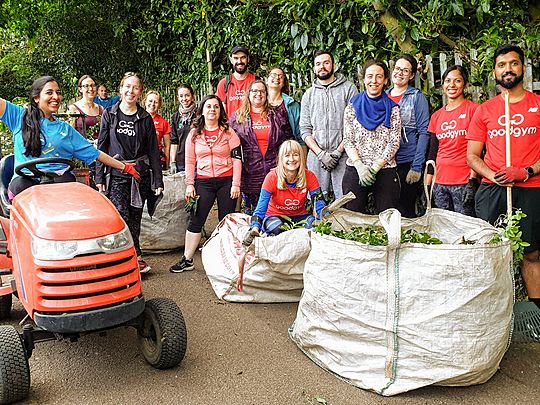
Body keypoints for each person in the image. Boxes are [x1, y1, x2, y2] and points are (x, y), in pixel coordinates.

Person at [467, 44, 540, 309]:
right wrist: (493, 176)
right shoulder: (484, 110)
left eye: (513, 63)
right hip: (493, 190)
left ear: (522, 67)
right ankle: (494, 313)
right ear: (495, 72)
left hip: (531, 187)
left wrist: (526, 171)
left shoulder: (538, 105)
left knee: (531, 253)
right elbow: (472, 156)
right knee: (491, 253)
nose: (507, 68)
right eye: (501, 65)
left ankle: (535, 314)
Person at [0, 76, 139, 199]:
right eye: (49, 92)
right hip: (25, 181)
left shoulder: (65, 130)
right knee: (20, 185)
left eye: (58, 93)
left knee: (69, 184)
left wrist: (124, 167)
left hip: (58, 181)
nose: (56, 97)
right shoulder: (18, 116)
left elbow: (95, 153)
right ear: (36, 98)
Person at [96, 72, 164, 275]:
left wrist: (157, 180)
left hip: (139, 175)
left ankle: (136, 257)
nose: (130, 91)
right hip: (116, 174)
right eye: (127, 86)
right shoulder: (110, 114)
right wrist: (99, 178)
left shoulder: (144, 118)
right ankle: (127, 256)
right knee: (120, 215)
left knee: (135, 216)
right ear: (121, 89)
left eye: (135, 87)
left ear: (140, 92)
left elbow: (153, 151)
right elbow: (101, 147)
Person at [170, 95, 242, 273]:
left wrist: (236, 184)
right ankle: (187, 259)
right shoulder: (194, 134)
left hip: (226, 181)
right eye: (208, 106)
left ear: (220, 111)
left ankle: (228, 261)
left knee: (227, 222)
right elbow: (189, 161)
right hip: (203, 181)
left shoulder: (229, 132)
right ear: (202, 110)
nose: (212, 110)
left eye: (216, 107)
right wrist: (190, 184)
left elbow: (238, 159)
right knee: (196, 220)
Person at [342, 60, 402, 214]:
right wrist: (360, 165)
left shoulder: (393, 109)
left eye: (379, 77)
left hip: (385, 169)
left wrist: (376, 166)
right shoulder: (352, 107)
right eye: (369, 76)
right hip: (356, 170)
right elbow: (348, 140)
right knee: (352, 217)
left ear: (385, 80)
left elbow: (394, 141)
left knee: (388, 218)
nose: (374, 81)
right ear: (363, 79)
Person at [242, 140, 326, 245]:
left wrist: (327, 220)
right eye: (287, 155)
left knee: (312, 227)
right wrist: (255, 228)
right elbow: (261, 207)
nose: (291, 159)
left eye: (296, 155)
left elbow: (319, 204)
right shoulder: (272, 177)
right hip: (275, 216)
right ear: (281, 158)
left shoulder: (310, 176)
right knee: (277, 229)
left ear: (301, 157)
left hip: (300, 217)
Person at [300, 50, 358, 200]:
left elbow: (354, 126)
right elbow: (305, 129)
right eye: (318, 64)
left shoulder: (349, 89)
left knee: (346, 200)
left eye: (326, 63)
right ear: (314, 68)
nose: (322, 67)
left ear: (334, 65)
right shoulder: (308, 95)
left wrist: (338, 152)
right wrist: (320, 153)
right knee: (318, 201)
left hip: (344, 154)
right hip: (317, 156)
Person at [229, 79, 292, 214]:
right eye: (255, 91)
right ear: (249, 94)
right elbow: (230, 146)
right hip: (250, 172)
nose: (259, 94)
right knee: (254, 213)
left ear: (266, 93)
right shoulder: (237, 118)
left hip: (274, 169)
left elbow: (287, 140)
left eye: (262, 91)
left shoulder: (277, 115)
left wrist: (283, 164)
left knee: (275, 212)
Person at [426, 65, 479, 216]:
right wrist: (428, 185)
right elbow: (432, 153)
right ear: (443, 85)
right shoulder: (436, 116)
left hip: (463, 181)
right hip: (440, 182)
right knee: (444, 229)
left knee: (466, 229)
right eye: (448, 81)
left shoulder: (474, 110)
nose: (452, 85)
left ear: (465, 84)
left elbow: (479, 149)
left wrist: (472, 181)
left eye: (457, 80)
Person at [387, 54, 430, 217]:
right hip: (386, 163)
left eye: (405, 70)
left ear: (411, 75)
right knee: (389, 209)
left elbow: (424, 132)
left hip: (408, 161)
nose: (400, 73)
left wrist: (417, 166)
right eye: (398, 69)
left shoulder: (416, 97)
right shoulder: (383, 96)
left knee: (406, 209)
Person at [266, 67, 304, 152]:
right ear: (266, 80)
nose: (277, 78)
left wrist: (303, 162)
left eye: (281, 76)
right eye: (273, 75)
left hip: (288, 154)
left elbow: (300, 136)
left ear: (283, 83)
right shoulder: (258, 102)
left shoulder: (292, 105)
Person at [216, 46, 256, 116]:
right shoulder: (224, 83)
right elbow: (220, 110)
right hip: (230, 126)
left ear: (248, 59)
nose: (239, 61)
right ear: (231, 60)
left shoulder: (256, 81)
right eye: (236, 58)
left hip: (252, 125)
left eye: (243, 57)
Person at [170, 84, 196, 173]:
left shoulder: (199, 115)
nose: (184, 99)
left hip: (197, 160)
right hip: (181, 161)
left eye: (187, 95)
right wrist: (172, 162)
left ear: (192, 96)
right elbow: (174, 141)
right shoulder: (175, 117)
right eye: (181, 96)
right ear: (178, 98)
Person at [68, 75, 104, 140]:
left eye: (93, 85)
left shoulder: (101, 109)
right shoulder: (73, 109)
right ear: (80, 89)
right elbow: (69, 134)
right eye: (86, 86)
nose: (90, 89)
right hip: (80, 148)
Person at [144, 90, 171, 169]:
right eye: (150, 101)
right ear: (145, 102)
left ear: (159, 105)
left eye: (155, 102)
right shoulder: (137, 118)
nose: (152, 104)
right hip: (140, 158)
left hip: (156, 158)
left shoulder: (163, 123)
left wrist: (167, 164)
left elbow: (167, 146)